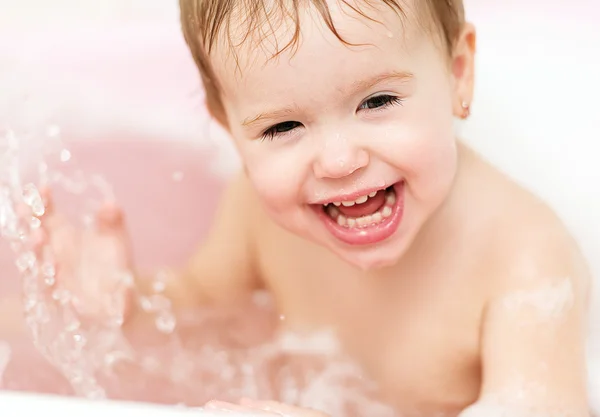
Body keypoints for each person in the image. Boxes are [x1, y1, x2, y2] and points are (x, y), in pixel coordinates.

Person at [36, 0, 593, 415]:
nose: (339, 160)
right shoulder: (255, 212)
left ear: (457, 73)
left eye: (377, 101)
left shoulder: (522, 257)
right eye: (283, 126)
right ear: (228, 128)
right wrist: (124, 305)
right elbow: (204, 305)